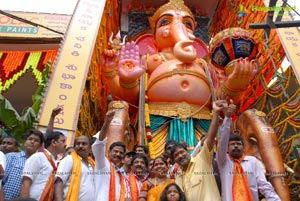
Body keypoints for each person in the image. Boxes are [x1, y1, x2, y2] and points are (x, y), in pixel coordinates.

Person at [216, 101, 280, 201]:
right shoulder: (223, 161)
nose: (236, 146)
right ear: (227, 148)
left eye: (239, 144)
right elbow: (223, 141)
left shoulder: (252, 161)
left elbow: (264, 185)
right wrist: (227, 118)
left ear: (243, 147)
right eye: (232, 144)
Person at [170, 100, 227, 201]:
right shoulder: (178, 175)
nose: (180, 156)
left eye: (182, 152)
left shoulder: (202, 159)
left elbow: (210, 136)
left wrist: (216, 113)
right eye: (176, 155)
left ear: (188, 152)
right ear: (174, 160)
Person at [20, 131, 66, 201]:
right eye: (63, 141)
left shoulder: (58, 162)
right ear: (54, 142)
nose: (65, 144)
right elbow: (26, 182)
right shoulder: (38, 157)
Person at [92, 110, 126, 201]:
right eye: (115, 151)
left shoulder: (119, 175)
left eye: (121, 153)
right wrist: (107, 122)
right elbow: (100, 143)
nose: (118, 154)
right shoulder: (102, 163)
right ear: (109, 152)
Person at [2, 129, 44, 200]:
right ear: (25, 142)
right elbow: (1, 179)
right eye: (30, 139)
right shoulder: (11, 157)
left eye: (36, 140)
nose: (32, 142)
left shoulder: (40, 163)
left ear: (40, 146)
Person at [55, 136, 95, 201]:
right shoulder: (69, 159)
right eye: (78, 144)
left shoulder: (92, 164)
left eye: (84, 144)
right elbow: (59, 181)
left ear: (90, 149)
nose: (80, 146)